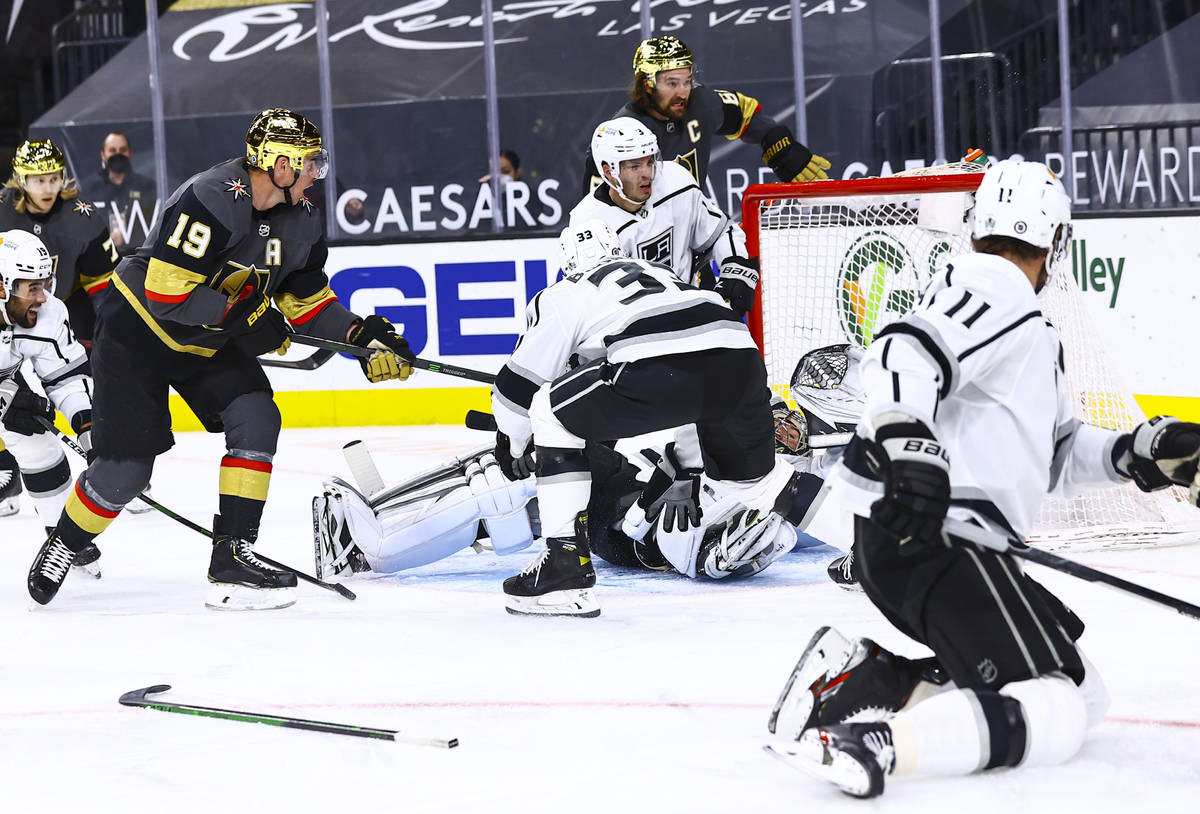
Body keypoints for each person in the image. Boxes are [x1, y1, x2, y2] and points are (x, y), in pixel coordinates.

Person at [766, 160, 1200, 798]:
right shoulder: (994, 288)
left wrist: (1135, 453)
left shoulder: (1019, 319)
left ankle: (875, 680)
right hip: (938, 536)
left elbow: (1054, 454)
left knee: (1081, 690)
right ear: (1055, 240)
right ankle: (874, 744)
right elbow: (901, 350)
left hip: (939, 540)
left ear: (978, 225)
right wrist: (910, 449)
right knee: (1051, 703)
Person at [26, 108, 418, 611]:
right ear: (279, 166)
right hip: (138, 332)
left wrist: (361, 335)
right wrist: (249, 321)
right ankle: (64, 543)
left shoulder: (301, 218)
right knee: (125, 474)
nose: (317, 172)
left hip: (208, 336)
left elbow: (306, 301)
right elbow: (167, 295)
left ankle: (232, 553)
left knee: (257, 417)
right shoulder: (214, 196)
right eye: (308, 162)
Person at [487, 218, 816, 617]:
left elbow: (516, 388)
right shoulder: (660, 274)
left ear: (568, 263)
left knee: (549, 414)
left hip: (654, 375)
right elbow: (692, 365)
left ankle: (564, 568)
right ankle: (868, 537)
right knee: (763, 484)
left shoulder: (563, 292)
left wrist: (512, 441)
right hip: (738, 358)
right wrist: (686, 467)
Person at [311, 403, 832, 583]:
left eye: (796, 423)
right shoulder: (767, 455)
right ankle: (379, 535)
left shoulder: (796, 488)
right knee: (514, 473)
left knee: (505, 482)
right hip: (634, 492)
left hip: (629, 517)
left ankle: (373, 545)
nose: (783, 424)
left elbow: (651, 516)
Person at [581, 35, 829, 195]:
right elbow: (595, 213)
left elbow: (748, 115)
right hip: (642, 250)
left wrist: (777, 143)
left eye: (687, 81)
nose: (683, 92)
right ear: (647, 84)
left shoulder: (702, 102)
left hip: (692, 243)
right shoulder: (616, 135)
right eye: (672, 83)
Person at [570, 117, 760, 316]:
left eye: (650, 161)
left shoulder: (676, 181)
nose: (647, 174)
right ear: (609, 172)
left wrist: (735, 266)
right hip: (634, 333)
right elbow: (590, 306)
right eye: (635, 166)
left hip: (694, 311)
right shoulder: (586, 224)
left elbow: (720, 232)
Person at [0, 229, 101, 575]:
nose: (42, 298)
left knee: (38, 444)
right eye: (32, 287)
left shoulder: (47, 313)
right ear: (2, 286)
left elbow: (66, 376)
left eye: (45, 284)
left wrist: (88, 428)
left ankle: (63, 537)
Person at [0, 138, 117, 347]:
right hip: (8, 305)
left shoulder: (82, 216)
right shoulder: (2, 211)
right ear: (21, 180)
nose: (48, 189)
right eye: (39, 180)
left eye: (54, 179)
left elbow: (102, 281)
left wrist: (111, 327)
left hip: (64, 301)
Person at [92, 131, 157, 257]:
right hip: (101, 258)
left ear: (130, 153)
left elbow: (152, 226)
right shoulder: (92, 190)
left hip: (137, 257)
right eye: (112, 150)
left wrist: (128, 236)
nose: (118, 155)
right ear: (103, 155)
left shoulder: (147, 186)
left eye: (122, 150)